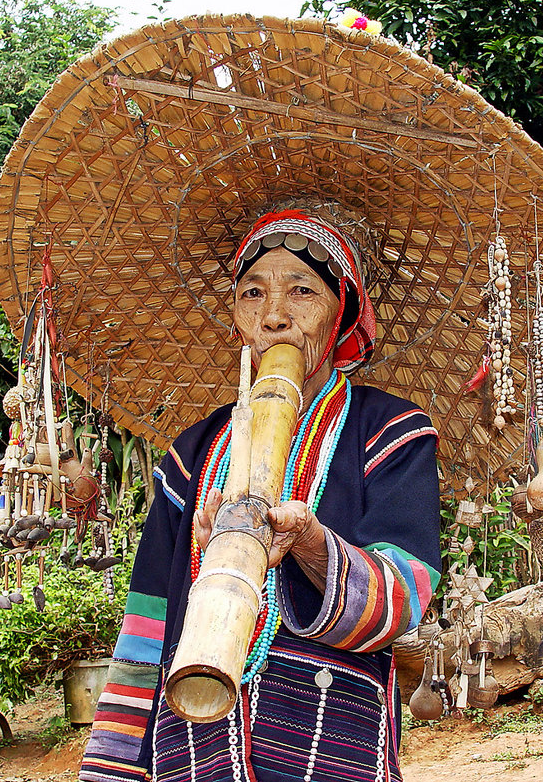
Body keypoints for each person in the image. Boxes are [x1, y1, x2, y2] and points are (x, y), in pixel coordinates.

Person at [80, 201, 442, 782]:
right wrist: (112, 770)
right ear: (237, 321)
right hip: (193, 750)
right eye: (252, 293)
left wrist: (310, 543)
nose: (273, 316)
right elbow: (147, 624)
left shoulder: (388, 431)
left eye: (301, 291)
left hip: (331, 747)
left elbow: (406, 597)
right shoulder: (190, 453)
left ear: (342, 315)